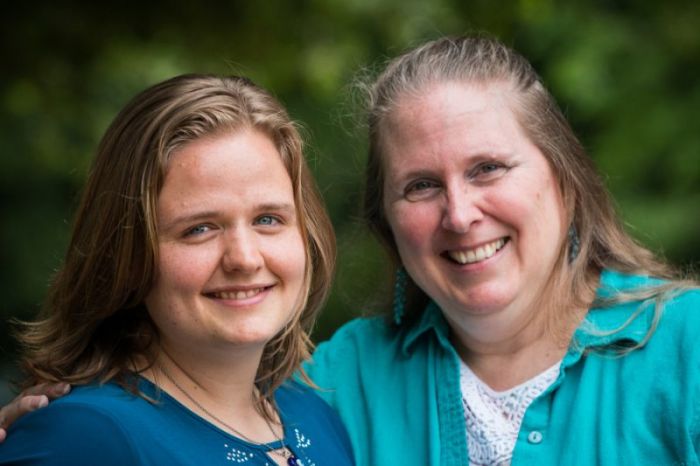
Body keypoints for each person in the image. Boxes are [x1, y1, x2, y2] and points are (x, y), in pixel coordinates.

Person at [2, 35, 699, 466]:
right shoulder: (334, 381)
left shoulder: (687, 349)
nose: (460, 213)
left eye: (489, 168)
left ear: (565, 181)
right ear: (387, 223)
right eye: (420, 186)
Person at [0, 74, 354, 465]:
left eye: (268, 219)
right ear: (128, 253)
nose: (245, 258)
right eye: (198, 229)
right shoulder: (84, 436)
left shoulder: (316, 418)